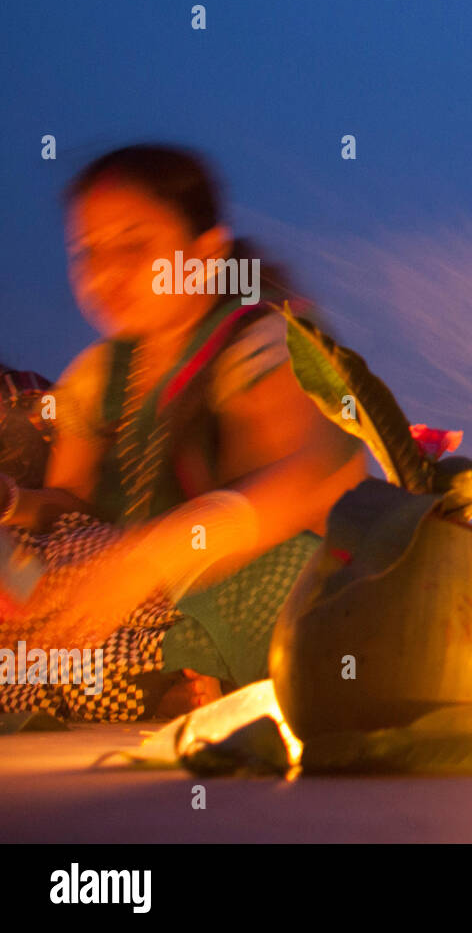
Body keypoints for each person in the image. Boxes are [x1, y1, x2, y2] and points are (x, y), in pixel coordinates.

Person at [0, 145, 367, 720]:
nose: (107, 272)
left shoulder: (264, 341)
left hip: (230, 588)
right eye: (88, 252)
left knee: (289, 577)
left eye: (134, 245)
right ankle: (149, 681)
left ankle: (183, 673)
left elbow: (317, 475)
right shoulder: (93, 378)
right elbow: (72, 508)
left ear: (207, 252)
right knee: (28, 574)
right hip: (117, 600)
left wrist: (147, 561)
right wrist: (14, 505)